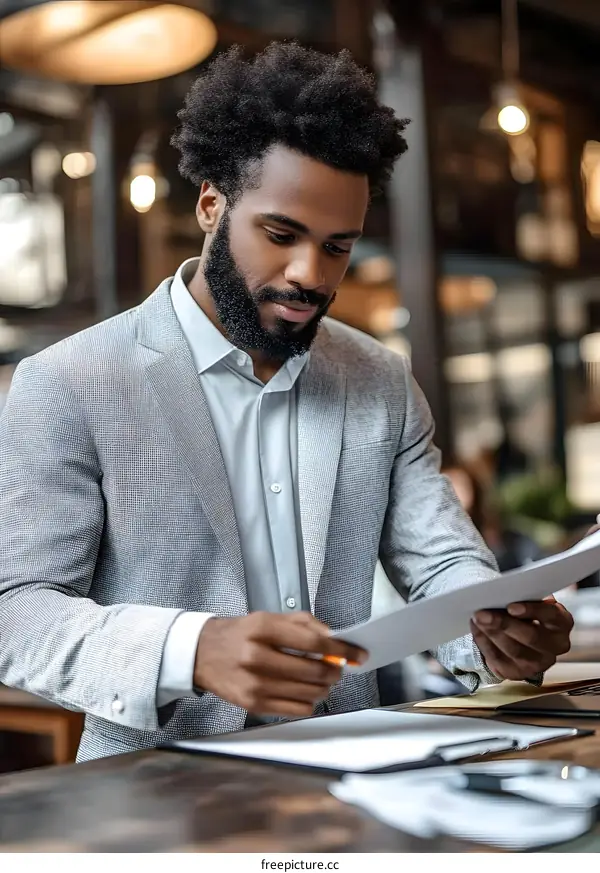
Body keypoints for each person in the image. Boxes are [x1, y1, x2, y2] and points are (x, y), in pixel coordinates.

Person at [0, 44, 572, 762]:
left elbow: (445, 566)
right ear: (212, 204)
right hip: (152, 787)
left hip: (350, 770)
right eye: (281, 234)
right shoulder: (70, 380)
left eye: (339, 246)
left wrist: (494, 633)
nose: (310, 273)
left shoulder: (380, 378)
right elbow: (17, 612)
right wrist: (194, 647)